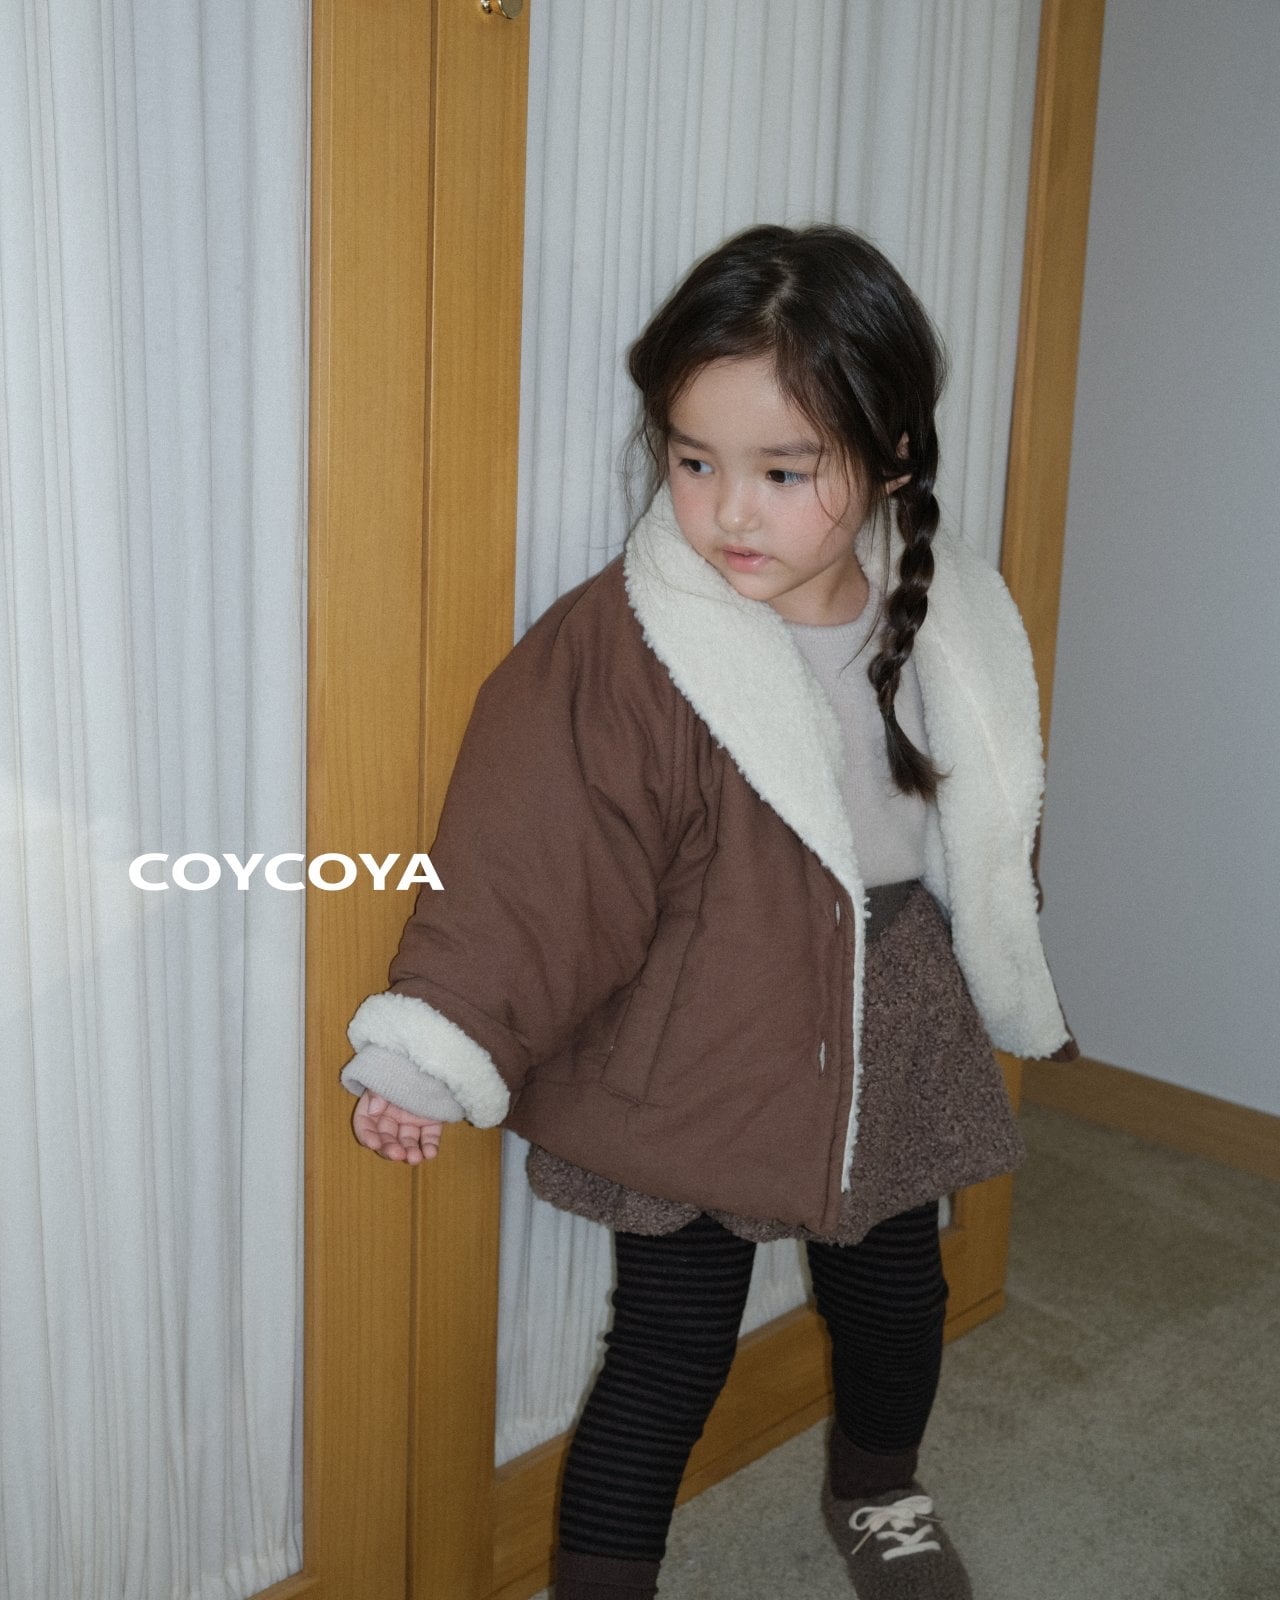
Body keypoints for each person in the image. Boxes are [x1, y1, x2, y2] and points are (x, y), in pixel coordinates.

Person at [340, 223, 1078, 1600]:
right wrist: (434, 1046)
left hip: (889, 1004)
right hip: (699, 1029)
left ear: (891, 455)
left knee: (898, 1297)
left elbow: (988, 813)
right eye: (694, 463)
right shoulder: (627, 644)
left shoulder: (952, 612)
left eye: (783, 473)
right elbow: (533, 861)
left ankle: (878, 1489)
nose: (730, 511)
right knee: (669, 1348)